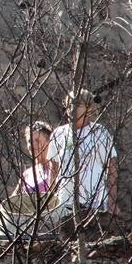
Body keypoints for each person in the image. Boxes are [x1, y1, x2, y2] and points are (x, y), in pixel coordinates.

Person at [47, 89, 119, 220]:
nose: (71, 109)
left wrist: (112, 202)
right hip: (65, 203)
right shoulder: (58, 134)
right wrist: (49, 202)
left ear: (89, 108)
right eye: (69, 105)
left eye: (77, 105)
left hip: (95, 202)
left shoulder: (100, 133)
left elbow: (112, 169)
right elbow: (53, 171)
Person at [17, 121, 56, 195]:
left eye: (37, 141)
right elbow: (13, 201)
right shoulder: (27, 174)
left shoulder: (58, 169)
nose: (32, 144)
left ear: (49, 142)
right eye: (29, 141)